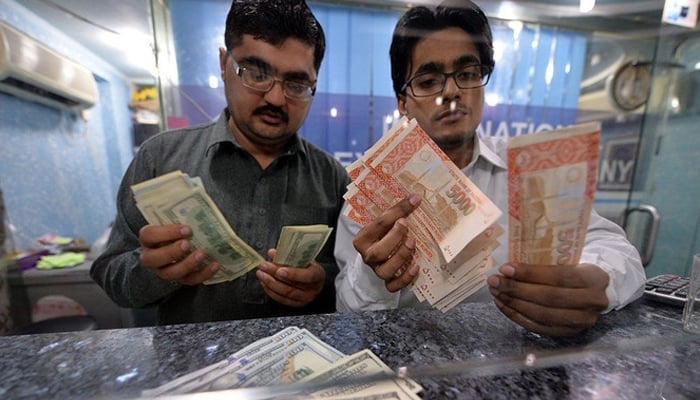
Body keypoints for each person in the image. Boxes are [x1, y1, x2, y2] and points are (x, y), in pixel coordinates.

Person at [334, 0, 646, 337]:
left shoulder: (527, 173)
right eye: (428, 81)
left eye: (467, 74)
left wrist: (599, 281)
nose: (452, 91)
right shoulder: (370, 193)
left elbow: (615, 249)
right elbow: (347, 317)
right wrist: (372, 276)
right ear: (402, 103)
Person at [91, 0, 350, 325]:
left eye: (297, 85)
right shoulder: (160, 157)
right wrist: (153, 271)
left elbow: (347, 278)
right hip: (189, 368)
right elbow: (111, 276)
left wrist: (321, 286)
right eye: (257, 73)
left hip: (295, 369)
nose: (274, 98)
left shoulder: (332, 177)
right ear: (224, 63)